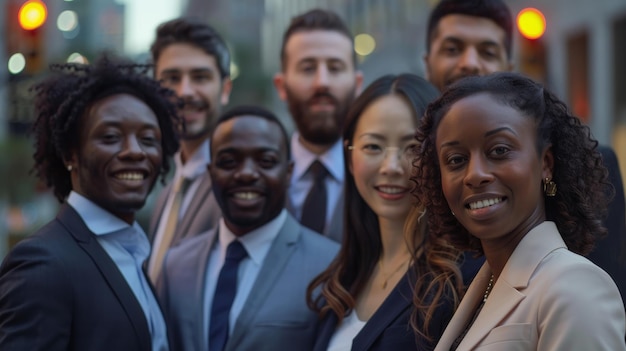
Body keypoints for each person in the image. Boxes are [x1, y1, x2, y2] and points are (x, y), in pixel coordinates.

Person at [422, 0, 626, 301]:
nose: (469, 62)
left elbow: (604, 296)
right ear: (427, 64)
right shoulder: (404, 171)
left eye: (487, 51)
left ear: (508, 67)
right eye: (453, 49)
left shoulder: (591, 167)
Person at [412, 72, 626, 350]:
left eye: (499, 150)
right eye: (456, 159)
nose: (474, 175)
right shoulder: (483, 284)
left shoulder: (575, 287)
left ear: (546, 164)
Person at [0, 55, 181, 350]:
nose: (135, 151)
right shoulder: (42, 263)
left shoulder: (133, 253)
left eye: (148, 139)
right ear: (70, 154)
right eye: (110, 137)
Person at [156, 105, 340, 351]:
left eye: (266, 161)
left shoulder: (330, 266)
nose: (246, 174)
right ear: (211, 173)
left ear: (288, 173)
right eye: (229, 161)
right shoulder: (175, 265)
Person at [307, 74, 464, 351]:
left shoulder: (459, 278)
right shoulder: (344, 276)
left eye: (413, 148)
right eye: (373, 147)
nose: (391, 166)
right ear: (349, 157)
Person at [147, 18, 233, 282]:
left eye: (200, 77)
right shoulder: (165, 193)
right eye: (172, 78)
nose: (185, 91)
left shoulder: (237, 184)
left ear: (225, 89)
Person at [273, 9, 363, 242]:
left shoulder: (382, 177)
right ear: (281, 85)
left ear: (357, 83)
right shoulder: (259, 174)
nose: (321, 82)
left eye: (334, 68)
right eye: (308, 68)